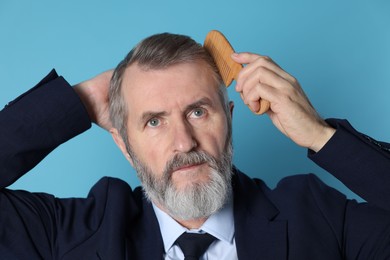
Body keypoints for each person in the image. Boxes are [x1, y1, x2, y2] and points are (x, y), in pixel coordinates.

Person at [1, 33, 389, 259]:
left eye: (198, 112)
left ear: (230, 119)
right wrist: (79, 101)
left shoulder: (316, 215)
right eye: (154, 121)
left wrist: (320, 136)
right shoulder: (69, 235)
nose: (184, 142)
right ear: (123, 143)